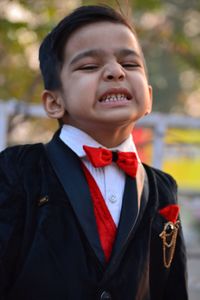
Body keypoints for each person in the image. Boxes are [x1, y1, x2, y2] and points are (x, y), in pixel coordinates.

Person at [0, 5, 188, 300]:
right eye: (89, 66)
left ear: (148, 97)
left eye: (130, 64)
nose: (115, 72)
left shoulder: (163, 188)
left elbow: (170, 288)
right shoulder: (15, 170)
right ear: (53, 103)